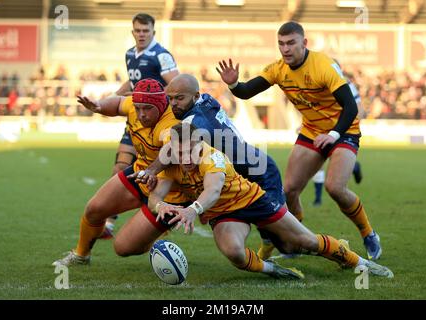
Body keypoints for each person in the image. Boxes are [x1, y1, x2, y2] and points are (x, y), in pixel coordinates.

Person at [216, 21, 382, 260]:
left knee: (334, 187)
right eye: (281, 44)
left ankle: (368, 233)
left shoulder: (323, 65)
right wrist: (233, 83)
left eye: (291, 43)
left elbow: (350, 106)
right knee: (289, 190)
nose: (285, 49)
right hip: (312, 132)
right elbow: (245, 91)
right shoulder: (277, 69)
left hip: (343, 131)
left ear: (304, 43)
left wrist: (333, 134)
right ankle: (296, 240)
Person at [143, 123, 393, 279]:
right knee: (235, 254)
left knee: (304, 241)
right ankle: (274, 270)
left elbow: (213, 190)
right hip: (223, 214)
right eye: (180, 152)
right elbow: (155, 196)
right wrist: (160, 206)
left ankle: (360, 263)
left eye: (191, 151)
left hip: (252, 200)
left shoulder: (213, 158)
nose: (186, 157)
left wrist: (193, 209)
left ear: (200, 146)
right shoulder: (171, 162)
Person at [130, 74, 287, 259]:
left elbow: (171, 150)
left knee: (283, 231)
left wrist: (150, 171)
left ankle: (292, 248)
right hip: (242, 170)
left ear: (195, 96)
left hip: (259, 171)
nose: (173, 103)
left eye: (180, 98)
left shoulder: (194, 122)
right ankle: (271, 245)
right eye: (170, 98)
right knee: (266, 226)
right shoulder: (206, 100)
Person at [52, 79, 186, 266]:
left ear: (161, 105)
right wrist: (99, 106)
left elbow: (170, 150)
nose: (141, 114)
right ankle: (81, 255)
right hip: (140, 173)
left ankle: (155, 231)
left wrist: (151, 170)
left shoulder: (171, 123)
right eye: (137, 108)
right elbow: (117, 103)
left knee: (123, 248)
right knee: (94, 210)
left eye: (147, 109)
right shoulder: (135, 105)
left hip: (170, 189)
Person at [101, 13, 180, 238]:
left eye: (146, 31)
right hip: (134, 121)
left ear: (153, 32)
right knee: (119, 168)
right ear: (132, 32)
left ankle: (157, 225)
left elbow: (176, 86)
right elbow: (133, 79)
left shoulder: (161, 56)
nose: (142, 34)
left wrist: (145, 96)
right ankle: (108, 223)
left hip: (155, 124)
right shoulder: (130, 54)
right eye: (138, 31)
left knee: (153, 176)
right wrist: (114, 96)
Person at [312, 60, 363, 206]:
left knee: (336, 161)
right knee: (318, 162)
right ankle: (318, 198)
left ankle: (354, 166)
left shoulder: (346, 84)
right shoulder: (320, 82)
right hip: (322, 127)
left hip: (341, 129)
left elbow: (357, 107)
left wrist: (352, 124)